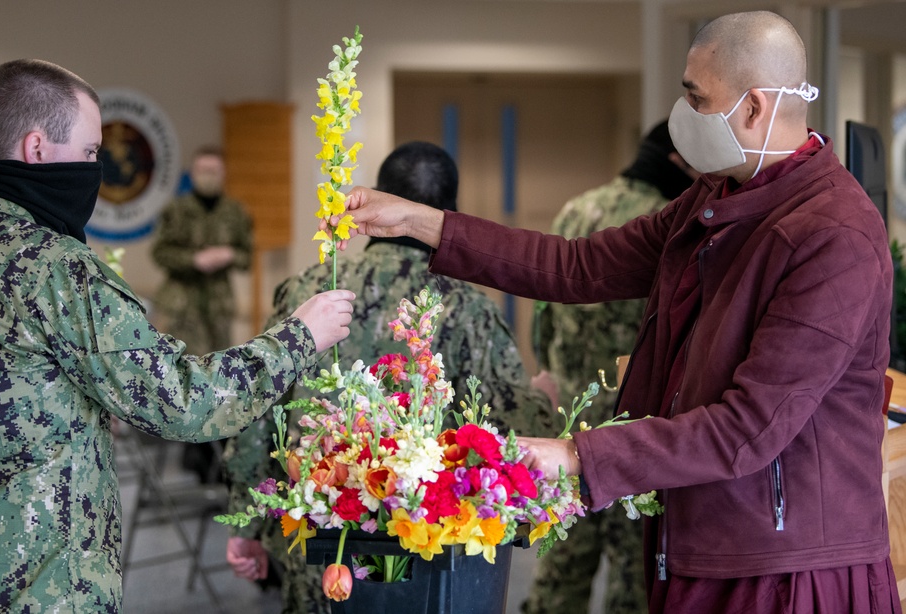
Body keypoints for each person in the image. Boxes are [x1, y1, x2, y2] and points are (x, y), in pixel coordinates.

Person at [340, 11, 901, 614]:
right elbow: (577, 266)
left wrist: (581, 455)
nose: (682, 114)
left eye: (696, 97)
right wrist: (421, 222)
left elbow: (749, 429)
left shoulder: (833, 236)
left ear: (755, 108)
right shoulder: (715, 197)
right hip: (699, 533)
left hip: (784, 568)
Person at [0, 59, 354, 613]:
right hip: (35, 587)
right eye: (91, 152)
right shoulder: (53, 267)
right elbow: (186, 401)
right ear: (38, 148)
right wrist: (300, 336)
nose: (96, 168)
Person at [223, 141, 559, 613]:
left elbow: (260, 409)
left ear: (381, 200)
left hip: (321, 540)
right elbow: (511, 433)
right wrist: (543, 398)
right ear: (451, 212)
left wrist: (246, 527)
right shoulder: (466, 307)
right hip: (427, 549)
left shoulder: (308, 290)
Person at [524, 120, 697, 614]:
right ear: (677, 161)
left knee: (562, 554)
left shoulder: (576, 208)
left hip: (570, 415)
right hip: (634, 419)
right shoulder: (668, 222)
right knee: (630, 563)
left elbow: (543, 311)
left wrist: (552, 369)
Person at [152, 146, 255, 482]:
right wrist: (194, 260)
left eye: (214, 170)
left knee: (221, 376)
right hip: (185, 306)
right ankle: (193, 453)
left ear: (223, 173)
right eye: (202, 170)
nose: (208, 176)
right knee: (189, 377)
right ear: (192, 173)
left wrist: (228, 255)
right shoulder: (177, 210)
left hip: (218, 307)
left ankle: (219, 454)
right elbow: (161, 252)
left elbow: (246, 255)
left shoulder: (235, 211)